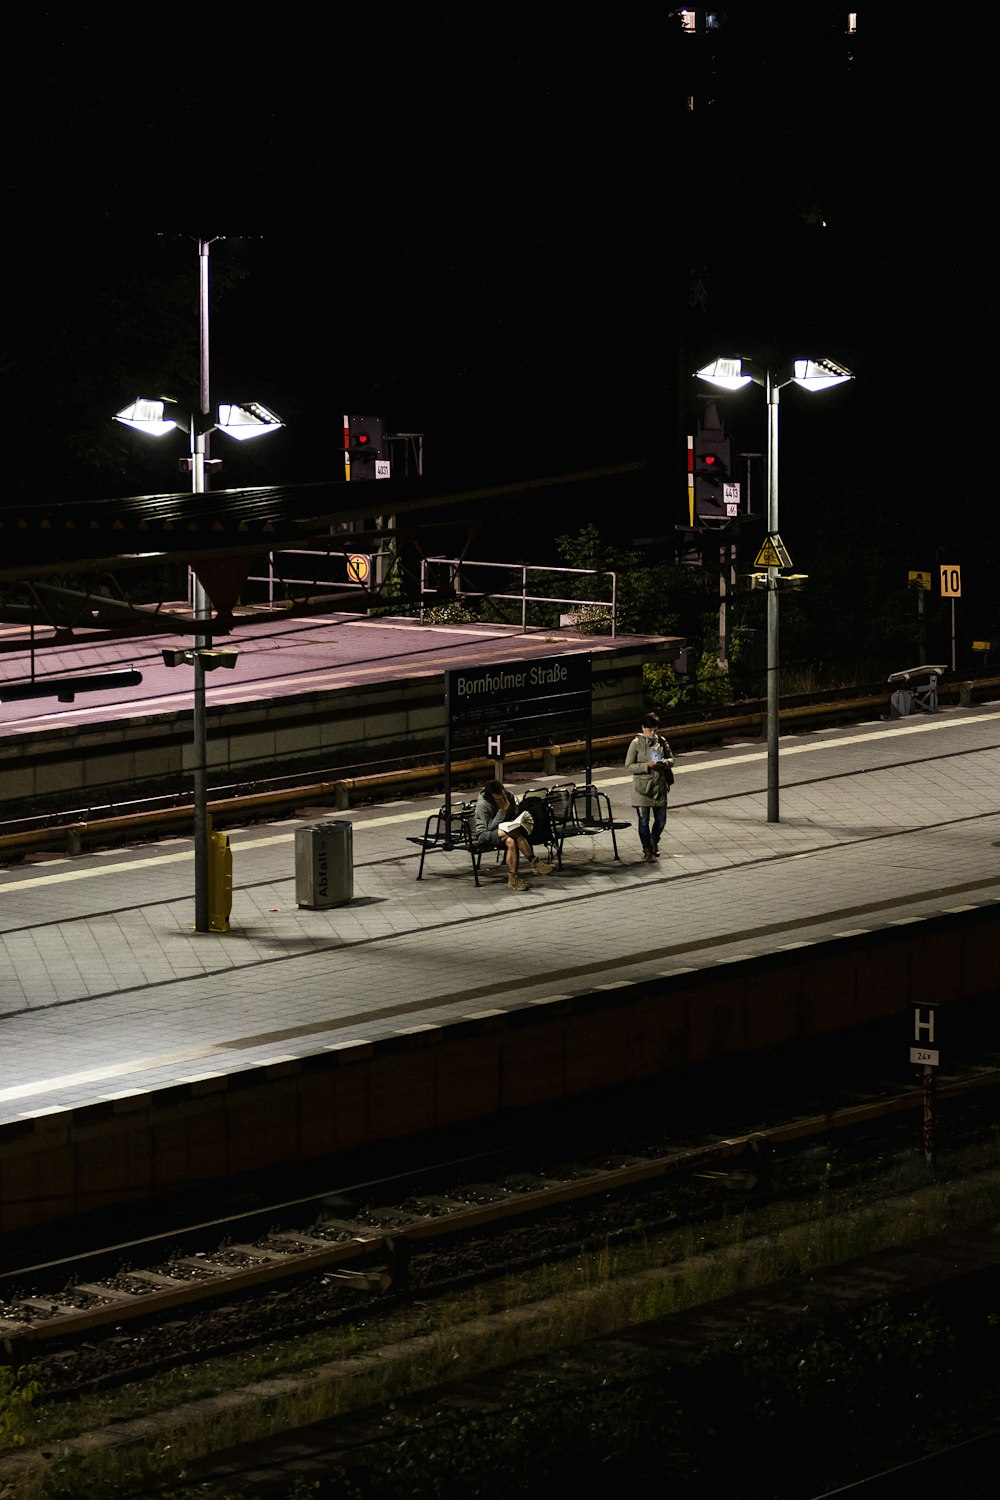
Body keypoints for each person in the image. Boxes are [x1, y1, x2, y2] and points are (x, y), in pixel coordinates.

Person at [473, 779, 555, 891]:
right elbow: (489, 827)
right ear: (491, 798)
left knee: (511, 841)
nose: (501, 800)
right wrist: (502, 810)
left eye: (502, 797)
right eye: (498, 800)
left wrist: (516, 812)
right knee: (514, 832)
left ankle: (513, 879)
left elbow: (512, 814)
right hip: (486, 834)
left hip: (505, 830)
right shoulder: (483, 805)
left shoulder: (508, 796)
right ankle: (535, 862)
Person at [625, 712, 674, 862]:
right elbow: (629, 765)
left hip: (659, 786)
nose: (652, 733)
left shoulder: (661, 740)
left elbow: (671, 759)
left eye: (655, 730)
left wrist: (664, 763)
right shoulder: (635, 743)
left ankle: (654, 840)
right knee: (643, 821)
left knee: (661, 820)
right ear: (643, 728)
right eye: (650, 730)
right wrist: (646, 766)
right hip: (642, 788)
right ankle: (647, 850)